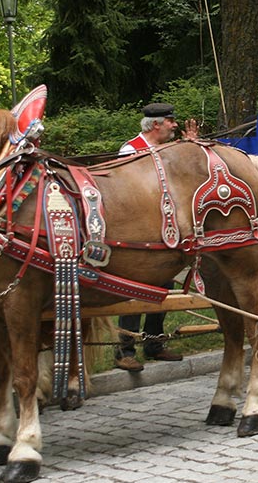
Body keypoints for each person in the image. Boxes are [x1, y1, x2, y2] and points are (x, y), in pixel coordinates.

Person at [113, 103, 192, 371]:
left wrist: (189, 147)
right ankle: (124, 350)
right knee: (134, 290)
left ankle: (154, 344)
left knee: (164, 285)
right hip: (136, 233)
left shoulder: (169, 150)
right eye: (170, 120)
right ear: (156, 124)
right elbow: (122, 194)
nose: (175, 124)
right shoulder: (130, 151)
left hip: (163, 230)